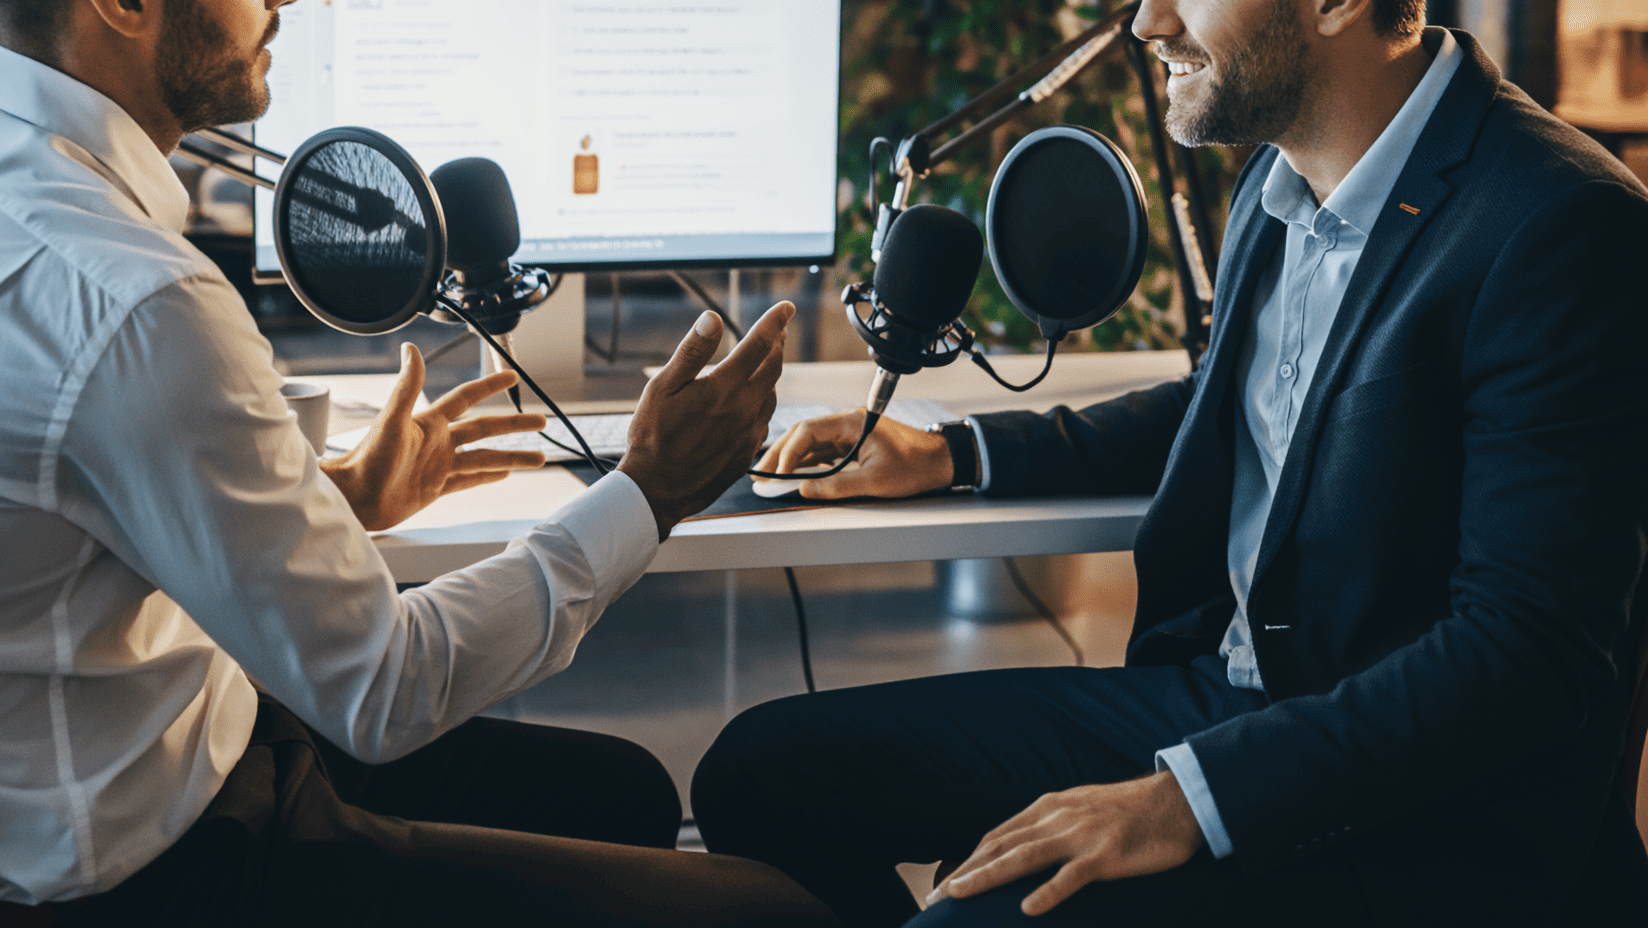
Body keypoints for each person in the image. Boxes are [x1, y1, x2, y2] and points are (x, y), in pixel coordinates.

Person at [0, 0, 841, 926]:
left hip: (80, 778)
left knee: (624, 794)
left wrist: (334, 502)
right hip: (138, 882)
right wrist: (648, 493)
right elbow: (387, 687)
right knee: (779, 913)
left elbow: (31, 519)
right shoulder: (134, 298)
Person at [691, 0, 1648, 925]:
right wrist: (955, 452)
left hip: (1425, 812)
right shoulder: (1285, 175)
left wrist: (1189, 799)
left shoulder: (1563, 224)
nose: (1148, 21)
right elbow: (1241, 401)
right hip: (1230, 704)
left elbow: (1526, 655)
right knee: (758, 777)